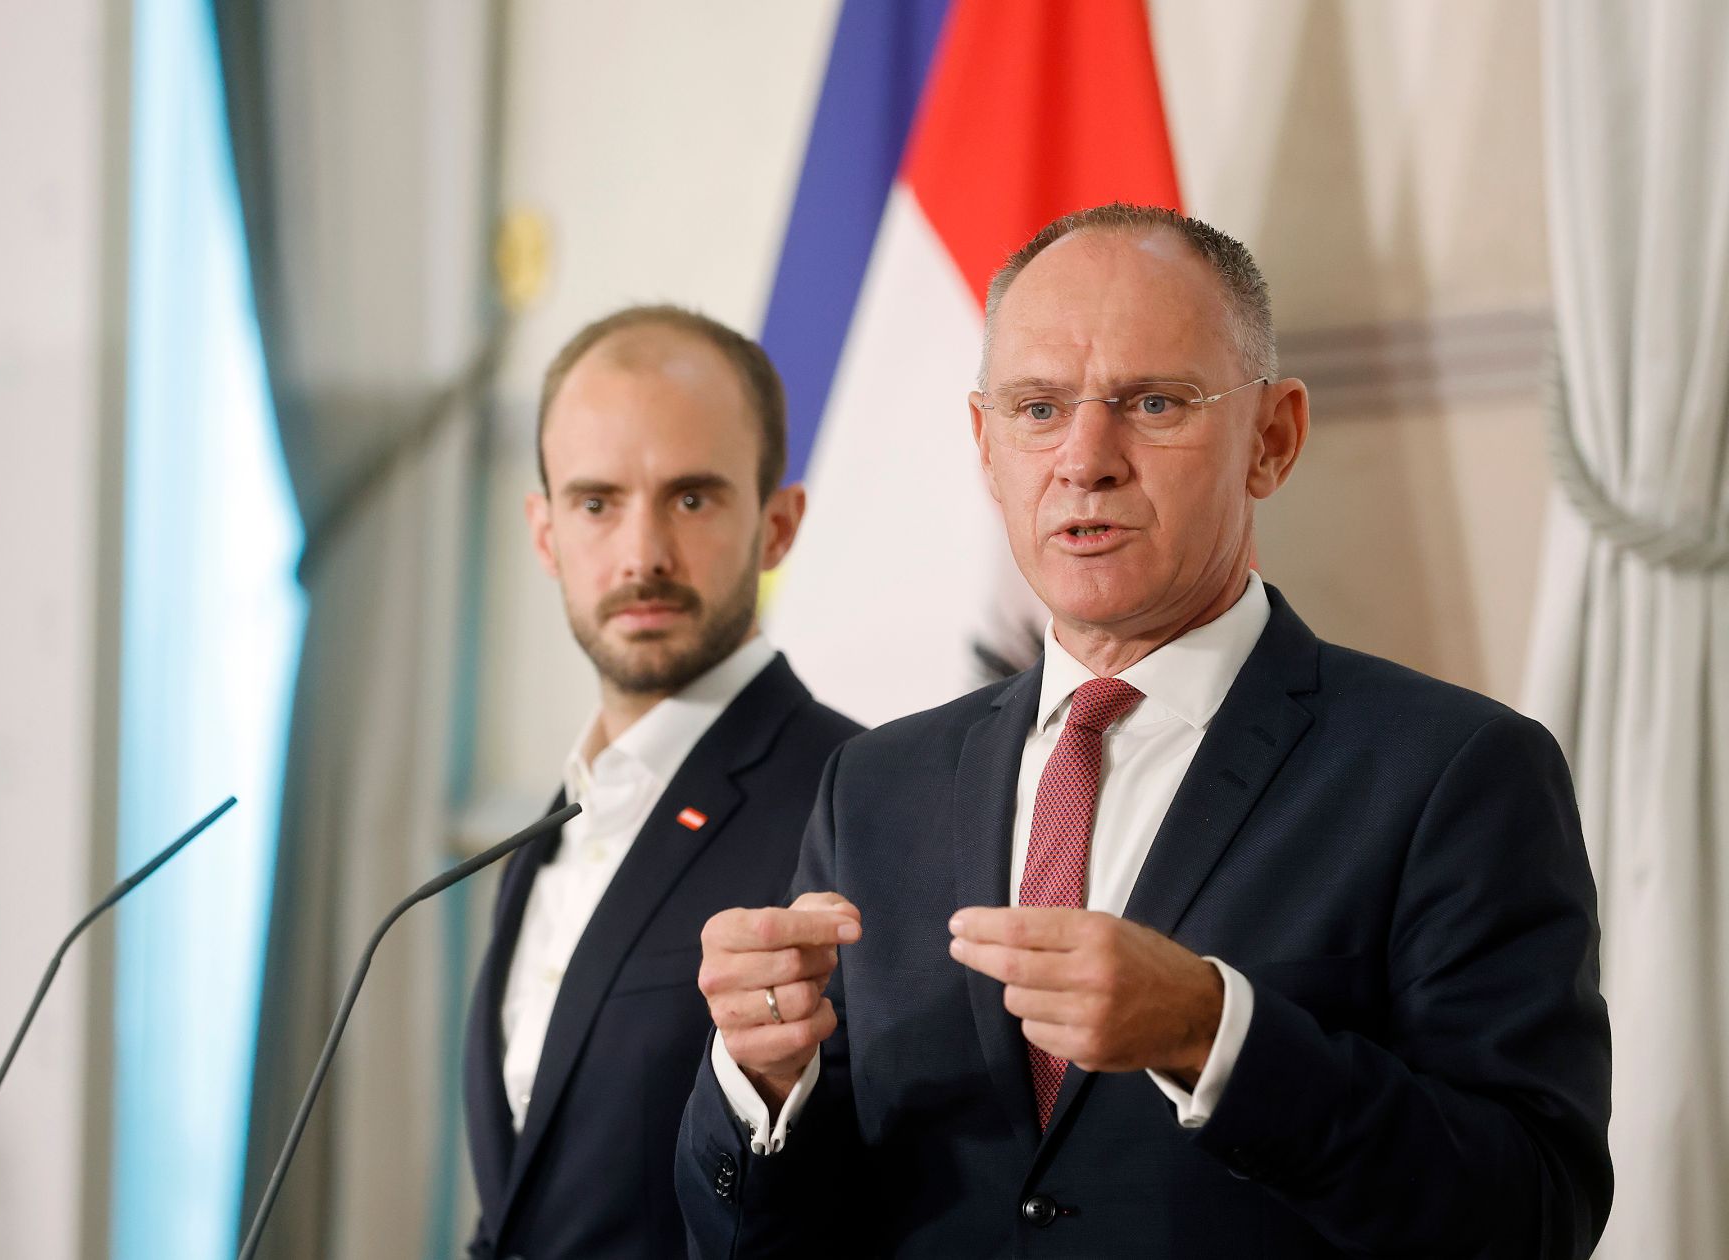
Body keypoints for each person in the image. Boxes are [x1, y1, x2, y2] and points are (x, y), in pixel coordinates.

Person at [677, 206, 1611, 1257]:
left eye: (1153, 402)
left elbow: (1532, 1217)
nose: (1085, 458)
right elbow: (770, 1242)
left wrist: (1213, 1036)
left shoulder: (1454, 772)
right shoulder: (877, 785)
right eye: (1037, 409)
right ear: (985, 448)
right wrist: (758, 1081)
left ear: (1272, 437)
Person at [462, 305, 861, 1260]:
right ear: (546, 530)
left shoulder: (858, 804)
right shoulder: (556, 825)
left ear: (778, 524)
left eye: (691, 499)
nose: (641, 554)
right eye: (597, 503)